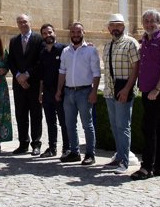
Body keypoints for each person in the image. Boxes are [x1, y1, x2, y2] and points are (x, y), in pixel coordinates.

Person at [131, 9, 160, 180]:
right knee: (158, 127)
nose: (149, 24)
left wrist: (157, 89)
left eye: (152, 21)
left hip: (157, 91)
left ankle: (146, 167)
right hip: (147, 90)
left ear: (158, 22)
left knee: (148, 128)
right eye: (146, 21)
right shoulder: (145, 41)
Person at [55, 22, 100, 166]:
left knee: (87, 124)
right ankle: (74, 152)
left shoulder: (91, 51)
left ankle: (90, 154)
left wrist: (94, 91)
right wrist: (59, 90)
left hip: (84, 92)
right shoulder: (66, 51)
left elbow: (96, 73)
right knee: (69, 124)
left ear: (83, 33)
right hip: (68, 92)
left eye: (78, 32)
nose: (75, 34)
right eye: (73, 32)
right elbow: (62, 72)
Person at [101, 13, 140, 174]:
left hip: (124, 91)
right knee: (115, 126)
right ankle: (119, 156)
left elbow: (136, 68)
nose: (116, 28)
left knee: (123, 126)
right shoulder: (108, 45)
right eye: (113, 25)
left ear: (124, 27)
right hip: (110, 91)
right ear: (109, 28)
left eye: (119, 25)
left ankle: (124, 161)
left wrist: (127, 89)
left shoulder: (131, 43)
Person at [7, 13, 43, 155]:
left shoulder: (38, 39)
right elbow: (11, 61)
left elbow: (40, 61)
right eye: (19, 22)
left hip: (33, 84)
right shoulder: (14, 41)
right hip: (19, 84)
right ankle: (23, 143)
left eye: (24, 21)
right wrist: (18, 76)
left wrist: (26, 75)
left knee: (35, 114)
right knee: (20, 114)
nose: (22, 24)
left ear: (30, 22)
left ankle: (36, 144)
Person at [37, 23, 69, 158]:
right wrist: (40, 93)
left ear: (54, 32)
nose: (47, 35)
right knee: (50, 121)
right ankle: (52, 148)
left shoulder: (63, 49)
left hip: (61, 92)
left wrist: (60, 90)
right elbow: (41, 76)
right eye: (44, 33)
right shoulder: (43, 53)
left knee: (64, 121)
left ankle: (67, 148)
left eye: (49, 32)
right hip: (48, 93)